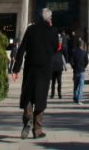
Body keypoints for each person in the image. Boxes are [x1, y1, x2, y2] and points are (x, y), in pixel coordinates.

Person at [12, 8, 59, 139]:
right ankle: (37, 129)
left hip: (30, 68)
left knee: (28, 95)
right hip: (44, 69)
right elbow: (56, 48)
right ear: (50, 19)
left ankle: (28, 119)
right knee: (40, 98)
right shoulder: (53, 31)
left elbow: (21, 49)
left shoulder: (31, 30)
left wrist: (16, 69)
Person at [71, 37, 89, 105]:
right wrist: (84, 66)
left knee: (75, 85)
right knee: (81, 86)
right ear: (82, 45)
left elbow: (71, 61)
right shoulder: (84, 53)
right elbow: (87, 61)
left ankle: (75, 97)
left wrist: (73, 67)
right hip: (82, 71)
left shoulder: (74, 52)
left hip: (76, 71)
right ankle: (79, 99)